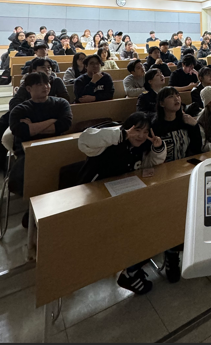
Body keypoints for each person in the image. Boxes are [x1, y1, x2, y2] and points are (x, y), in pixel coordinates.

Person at [78, 112, 166, 294]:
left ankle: (132, 268)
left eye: (146, 132)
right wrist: (121, 134)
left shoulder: (141, 148)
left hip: (123, 197)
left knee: (154, 220)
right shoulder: (109, 141)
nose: (141, 136)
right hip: (95, 199)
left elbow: (151, 165)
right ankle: (130, 270)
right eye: (137, 130)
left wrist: (158, 148)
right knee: (135, 228)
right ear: (127, 128)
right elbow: (84, 140)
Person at [152, 87, 201, 282]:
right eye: (171, 97)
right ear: (161, 103)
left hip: (185, 172)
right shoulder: (155, 125)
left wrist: (195, 126)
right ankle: (171, 254)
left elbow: (197, 149)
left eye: (178, 96)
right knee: (171, 215)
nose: (176, 99)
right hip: (163, 177)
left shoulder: (185, 120)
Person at [9, 72, 72, 204]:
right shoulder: (20, 109)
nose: (45, 86)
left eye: (47, 83)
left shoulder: (61, 103)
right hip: (29, 150)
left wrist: (33, 127)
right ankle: (35, 206)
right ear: (28, 88)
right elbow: (21, 131)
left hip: (56, 145)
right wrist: (53, 120)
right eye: (39, 84)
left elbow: (65, 124)